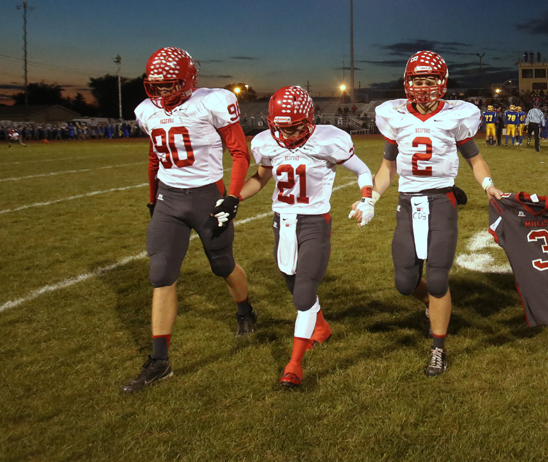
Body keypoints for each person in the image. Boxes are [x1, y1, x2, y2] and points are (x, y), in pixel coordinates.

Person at [123, 47, 255, 393]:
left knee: (222, 264)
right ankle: (160, 360)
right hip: (169, 198)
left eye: (169, 85)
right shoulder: (145, 111)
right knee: (161, 273)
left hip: (206, 197)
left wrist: (232, 196)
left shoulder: (210, 102)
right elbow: (154, 158)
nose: (161, 92)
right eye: (156, 85)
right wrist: (152, 199)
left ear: (187, 80)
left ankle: (244, 309)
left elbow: (240, 153)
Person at [365, 51, 503, 376]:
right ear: (407, 82)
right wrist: (369, 199)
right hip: (406, 202)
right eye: (417, 80)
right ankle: (432, 307)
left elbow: (475, 159)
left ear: (441, 83)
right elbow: (386, 169)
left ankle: (438, 349)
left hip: (442, 201)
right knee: (404, 282)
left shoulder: (456, 116)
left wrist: (488, 185)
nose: (423, 86)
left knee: (438, 279)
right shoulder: (395, 115)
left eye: (429, 80)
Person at [239, 86, 375, 389]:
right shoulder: (264, 143)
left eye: (295, 127)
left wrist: (367, 199)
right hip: (281, 223)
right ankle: (322, 327)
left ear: (309, 120)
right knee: (291, 281)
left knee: (302, 296)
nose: (287, 134)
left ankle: (294, 365)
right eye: (281, 128)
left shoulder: (329, 140)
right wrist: (233, 198)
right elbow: (261, 178)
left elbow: (362, 170)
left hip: (314, 223)